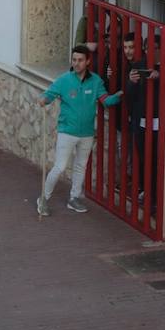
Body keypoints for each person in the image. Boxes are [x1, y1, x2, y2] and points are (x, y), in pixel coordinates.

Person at [36, 44, 122, 217]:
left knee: (80, 167)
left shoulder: (96, 81)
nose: (76, 63)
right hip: (67, 131)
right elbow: (48, 95)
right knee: (60, 167)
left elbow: (105, 100)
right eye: (74, 60)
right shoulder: (64, 80)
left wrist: (118, 96)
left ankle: (74, 198)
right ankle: (43, 199)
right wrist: (43, 100)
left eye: (80, 60)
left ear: (88, 61)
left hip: (87, 133)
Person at [118, 32, 161, 212]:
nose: (151, 52)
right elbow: (129, 97)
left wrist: (159, 76)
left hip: (159, 122)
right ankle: (146, 191)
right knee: (143, 157)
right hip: (141, 120)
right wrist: (131, 82)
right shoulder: (138, 66)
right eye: (147, 48)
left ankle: (154, 196)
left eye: (156, 49)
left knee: (156, 159)